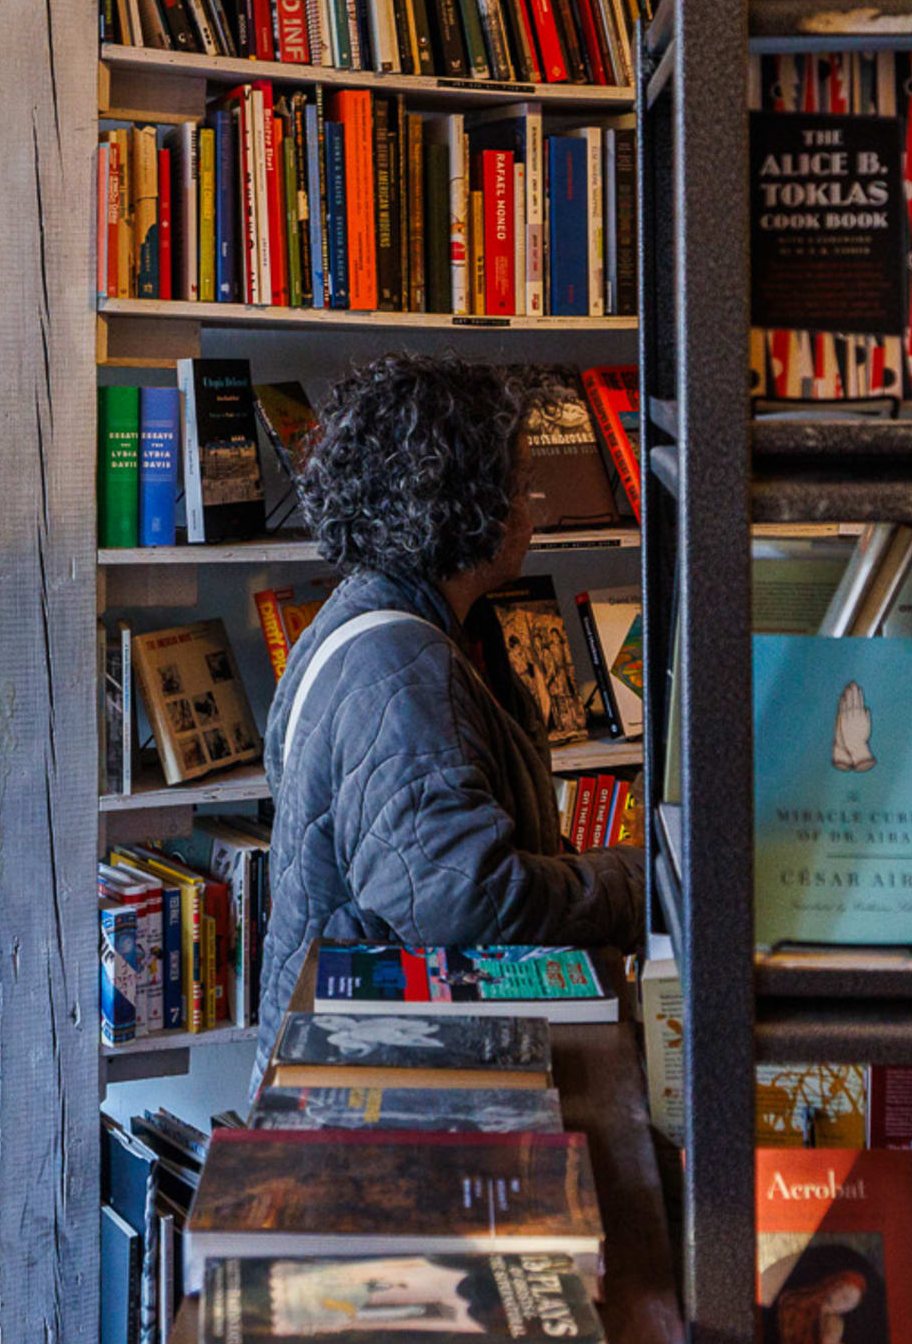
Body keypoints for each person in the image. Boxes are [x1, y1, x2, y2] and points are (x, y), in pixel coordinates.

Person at [254, 359, 642, 1017]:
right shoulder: (400, 670)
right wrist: (636, 882)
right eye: (519, 487)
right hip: (384, 1073)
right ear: (465, 504)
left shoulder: (371, 616)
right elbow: (468, 907)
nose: (534, 510)